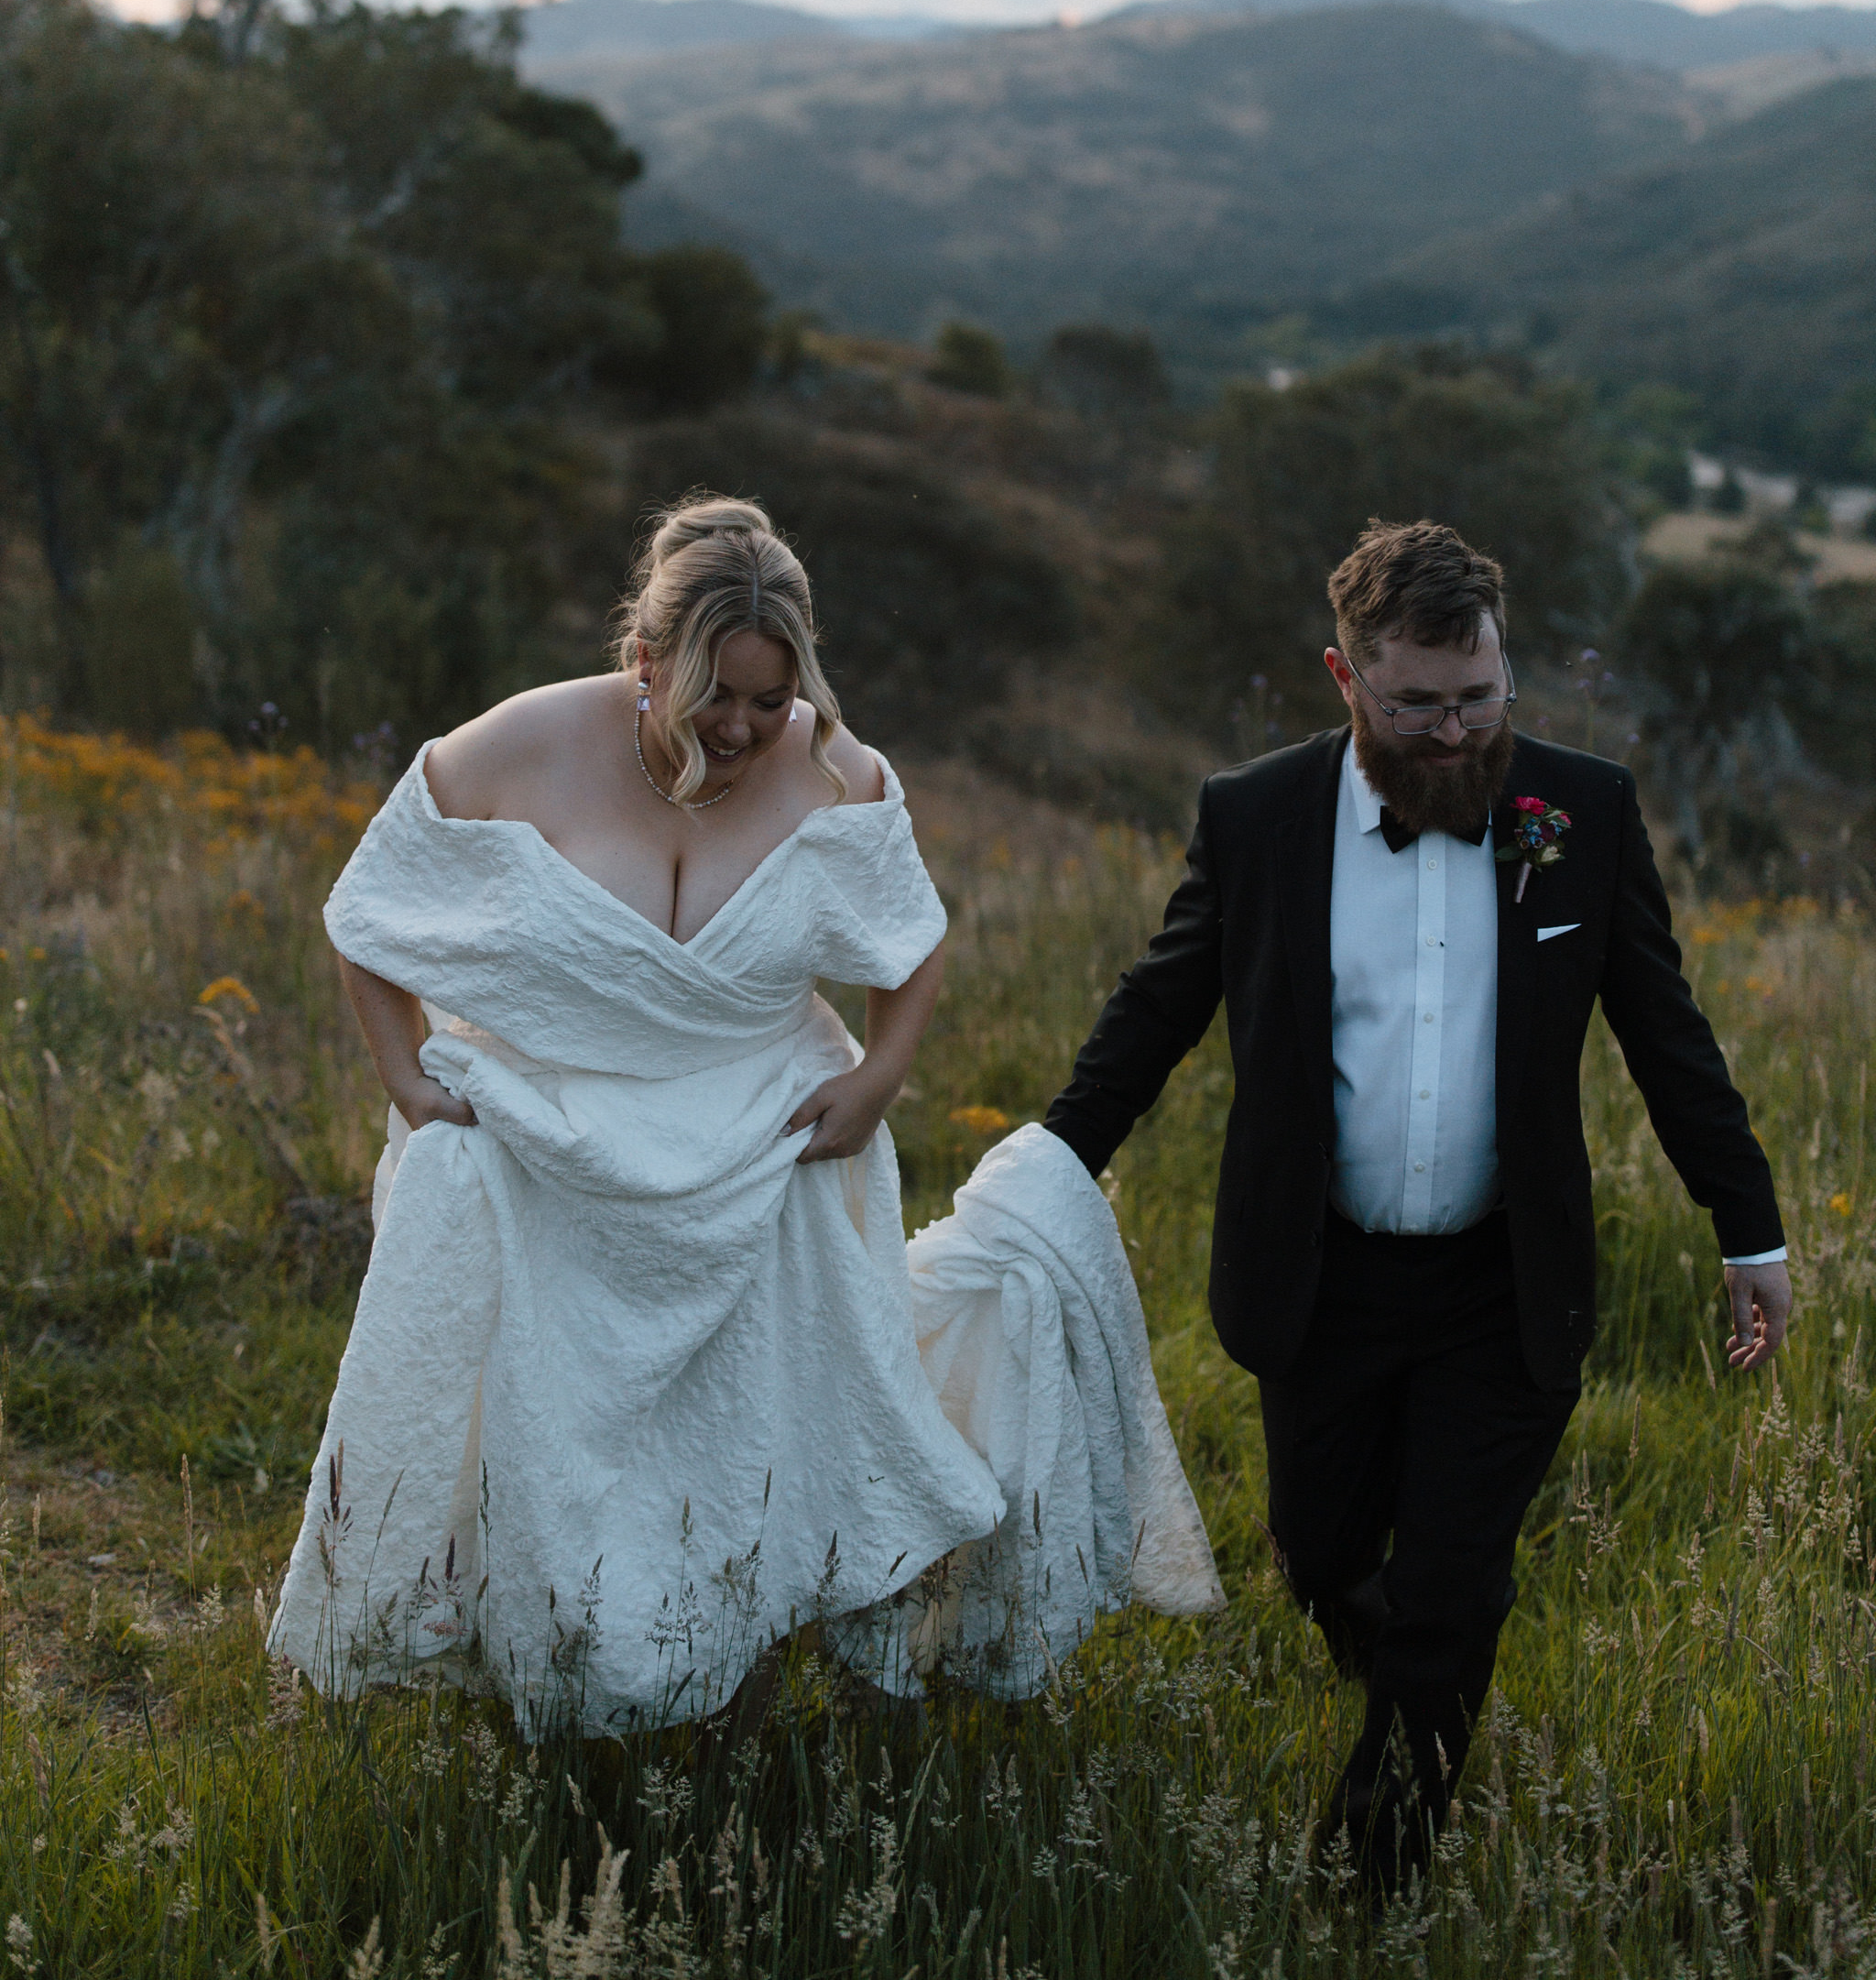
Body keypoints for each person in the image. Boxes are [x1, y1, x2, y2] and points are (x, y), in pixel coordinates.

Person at [270, 496, 1219, 1731]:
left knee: (745, 1440)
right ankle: (560, 1656)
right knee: (567, 1438)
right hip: (562, 1153)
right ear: (645, 658)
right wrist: (407, 1079)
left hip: (762, 1149)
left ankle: (742, 1669)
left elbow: (912, 942)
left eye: (770, 701)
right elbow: (371, 907)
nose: (738, 727)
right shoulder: (522, 742)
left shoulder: (831, 769)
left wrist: (877, 1080)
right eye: (711, 694)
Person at [1043, 517, 1790, 1892]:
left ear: (1506, 670)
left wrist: (1749, 1228)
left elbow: (1667, 1032)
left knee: (1452, 1586)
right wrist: (1044, 1166)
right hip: (1319, 1271)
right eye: (1418, 707)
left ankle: (1368, 1889)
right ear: (1348, 678)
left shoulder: (1582, 811)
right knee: (1323, 1554)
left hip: (1504, 1278)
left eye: (1480, 700)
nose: (1454, 736)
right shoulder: (1258, 817)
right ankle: (1405, 1671)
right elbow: (1157, 1008)